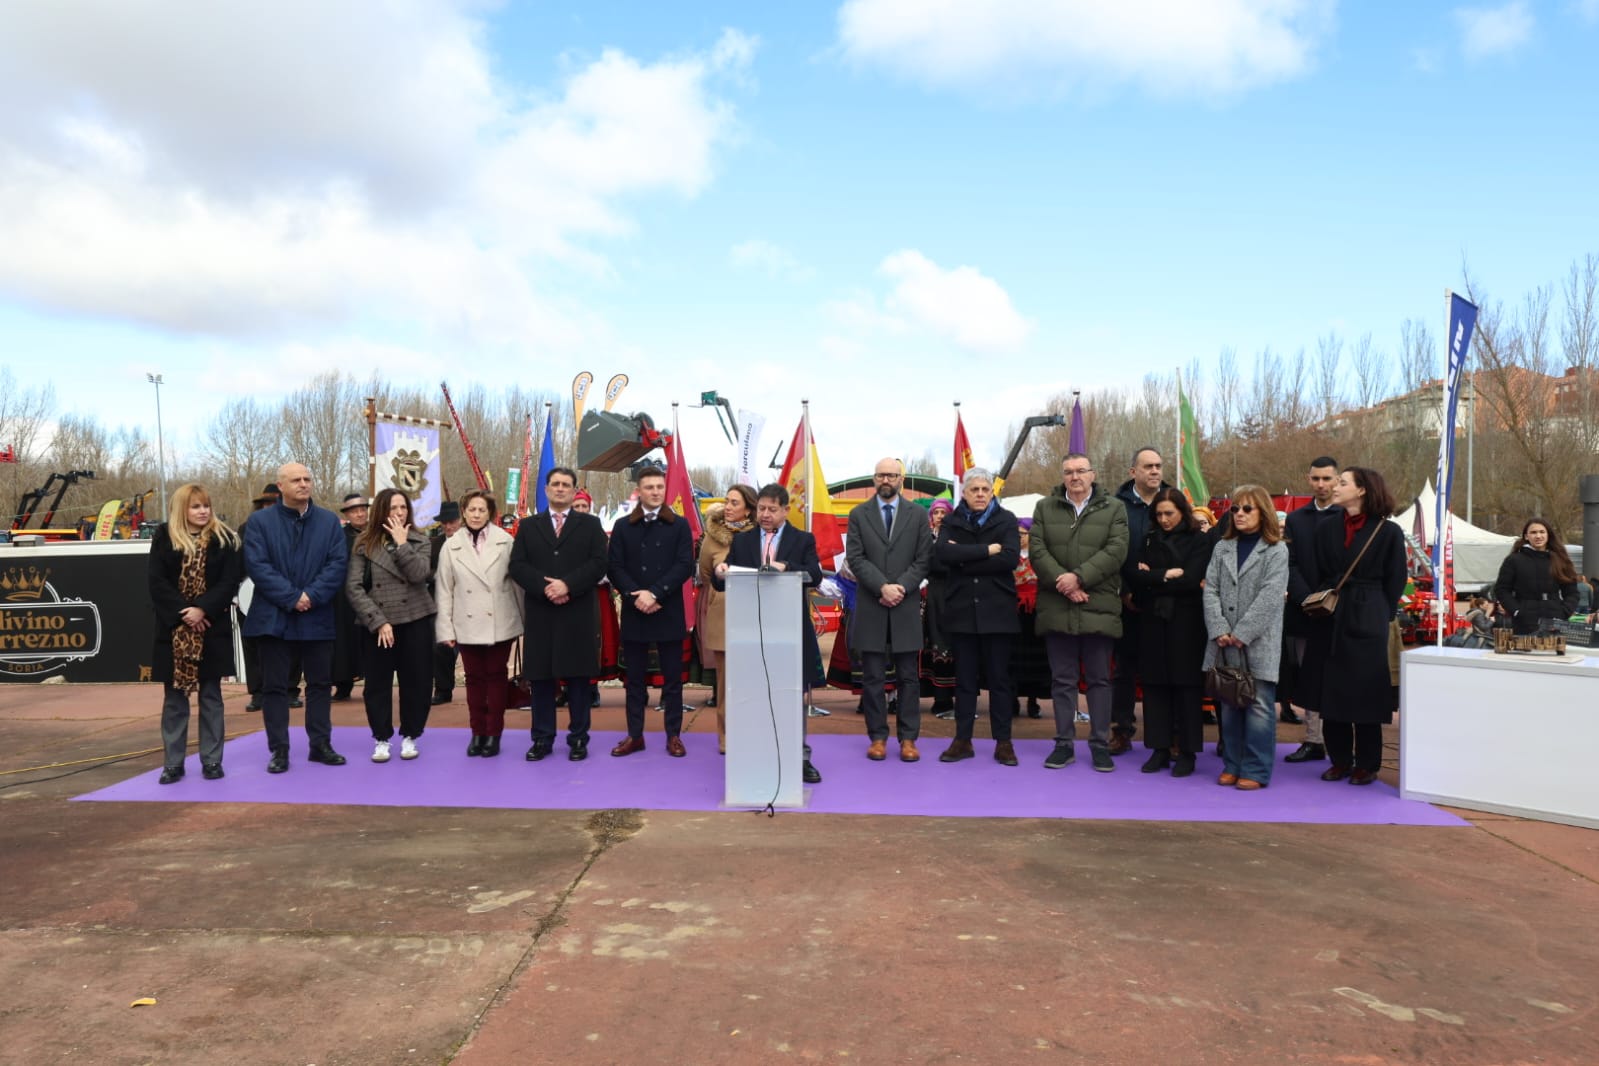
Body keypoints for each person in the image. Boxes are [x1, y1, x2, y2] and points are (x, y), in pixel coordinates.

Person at [1299, 466, 1407, 786]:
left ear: (1361, 490)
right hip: (1331, 614)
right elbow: (1316, 569)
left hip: (1367, 614)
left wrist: (1378, 612)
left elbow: (1396, 579)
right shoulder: (1327, 527)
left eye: (1342, 482)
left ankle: (1368, 763)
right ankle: (1340, 759)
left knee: (1365, 692)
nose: (1334, 486)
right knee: (1331, 691)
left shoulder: (1388, 532)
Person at [241, 462, 350, 773]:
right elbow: (258, 566)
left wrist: (311, 596)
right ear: (281, 487)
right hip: (274, 619)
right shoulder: (259, 523)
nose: (304, 484)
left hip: (316, 617)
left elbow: (336, 564)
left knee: (319, 685)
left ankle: (320, 745)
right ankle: (279, 750)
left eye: (307, 479)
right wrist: (292, 597)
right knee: (275, 688)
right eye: (296, 480)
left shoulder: (329, 522)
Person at [713, 482, 824, 784]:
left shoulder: (802, 539)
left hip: (789, 630)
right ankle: (755, 753)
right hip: (750, 631)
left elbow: (814, 573)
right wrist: (720, 571)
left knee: (792, 696)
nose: (765, 514)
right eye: (761, 508)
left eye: (772, 510)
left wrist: (785, 566)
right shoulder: (744, 541)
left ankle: (799, 756)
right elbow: (723, 580)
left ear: (786, 511)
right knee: (754, 694)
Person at [1031, 452, 1129, 772]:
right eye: (1069, 472)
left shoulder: (1114, 508)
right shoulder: (1045, 507)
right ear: (1062, 476)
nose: (1075, 477)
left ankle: (1100, 744)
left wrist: (1080, 578)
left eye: (1081, 471)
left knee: (1100, 680)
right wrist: (1066, 584)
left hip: (1097, 606)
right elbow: (1037, 550)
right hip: (1057, 606)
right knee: (1062, 681)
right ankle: (1063, 744)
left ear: (1093, 474)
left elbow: (1116, 551)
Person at [510, 466, 609, 762]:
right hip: (541, 613)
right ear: (546, 489)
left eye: (566, 484)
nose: (560, 489)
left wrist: (568, 585)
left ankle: (578, 737)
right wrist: (546, 588)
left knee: (578, 680)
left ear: (574, 490)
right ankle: (542, 738)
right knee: (540, 679)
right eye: (555, 484)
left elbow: (599, 563)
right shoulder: (529, 527)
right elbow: (517, 566)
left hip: (577, 611)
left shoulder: (590, 525)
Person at [148, 484, 245, 783]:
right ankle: (173, 764)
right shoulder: (164, 536)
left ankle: (212, 761)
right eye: (195, 507)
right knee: (175, 700)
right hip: (175, 631)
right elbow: (156, 581)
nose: (203, 511)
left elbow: (230, 581)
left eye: (206, 506)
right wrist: (185, 613)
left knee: (211, 698)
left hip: (211, 629)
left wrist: (203, 609)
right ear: (182, 510)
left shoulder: (225, 539)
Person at [846, 458, 935, 763]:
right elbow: (855, 558)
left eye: (892, 475)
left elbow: (924, 559)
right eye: (881, 475)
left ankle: (908, 739)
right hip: (872, 604)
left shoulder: (918, 515)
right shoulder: (858, 514)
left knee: (909, 677)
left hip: (905, 605)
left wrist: (900, 588)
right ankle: (878, 738)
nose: (886, 480)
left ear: (902, 479)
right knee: (872, 678)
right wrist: (881, 587)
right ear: (874, 479)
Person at [1202, 485, 1290, 790]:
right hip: (1223, 640)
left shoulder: (1276, 550)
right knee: (1229, 703)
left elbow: (1270, 597)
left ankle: (1256, 768)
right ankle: (1232, 764)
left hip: (1258, 641)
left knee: (1259, 706)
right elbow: (1210, 588)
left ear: (1262, 512)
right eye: (1235, 509)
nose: (1239, 514)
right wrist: (1219, 628)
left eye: (1247, 509)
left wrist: (1241, 633)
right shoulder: (1222, 547)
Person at [934, 468, 1021, 766]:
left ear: (992, 492)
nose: (981, 494)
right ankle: (962, 740)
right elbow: (942, 556)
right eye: (975, 490)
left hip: (998, 613)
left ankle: (1004, 742)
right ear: (965, 493)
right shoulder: (952, 521)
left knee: (999, 681)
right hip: (961, 613)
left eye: (985, 489)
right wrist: (986, 550)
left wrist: (964, 558)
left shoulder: (1006, 520)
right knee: (965, 682)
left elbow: (1009, 559)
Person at [607, 466, 696, 757]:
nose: (655, 492)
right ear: (639, 491)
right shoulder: (622, 526)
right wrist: (637, 597)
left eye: (659, 487)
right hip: (636, 611)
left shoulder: (680, 525)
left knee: (672, 680)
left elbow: (685, 565)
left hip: (667, 609)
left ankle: (674, 735)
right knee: (634, 681)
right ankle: (635, 735)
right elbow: (615, 567)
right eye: (649, 487)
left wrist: (656, 593)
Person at [1128, 488, 1215, 778]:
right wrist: (1165, 575)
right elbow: (1135, 577)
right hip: (1152, 620)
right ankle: (1159, 748)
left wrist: (1153, 576)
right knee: (1154, 686)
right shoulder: (1149, 539)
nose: (1164, 519)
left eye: (1170, 513)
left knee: (1187, 687)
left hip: (1187, 623)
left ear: (1182, 512)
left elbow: (1191, 579)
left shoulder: (1200, 540)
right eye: (1160, 514)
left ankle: (1188, 751)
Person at [345, 488, 436, 762]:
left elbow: (420, 575)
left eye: (403, 508)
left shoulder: (421, 540)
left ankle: (411, 734)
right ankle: (381, 737)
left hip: (415, 619)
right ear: (382, 511)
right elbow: (353, 587)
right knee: (377, 685)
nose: (398, 513)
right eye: (393, 508)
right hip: (379, 625)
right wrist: (379, 621)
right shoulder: (364, 543)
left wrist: (402, 544)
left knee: (417, 682)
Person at [435, 490, 523, 758]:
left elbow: (517, 585)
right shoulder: (451, 546)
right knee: (473, 680)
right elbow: (444, 590)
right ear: (463, 512)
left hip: (501, 621)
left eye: (481, 510)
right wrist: (445, 629)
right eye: (471, 509)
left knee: (496, 678)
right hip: (466, 622)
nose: (476, 515)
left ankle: (494, 733)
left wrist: (524, 622)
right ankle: (477, 732)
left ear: (490, 513)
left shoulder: (505, 541)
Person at [1110, 447, 1171, 755]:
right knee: (1124, 668)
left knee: (1162, 668)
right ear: (1133, 471)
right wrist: (1123, 590)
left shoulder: (1173, 501)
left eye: (1158, 466)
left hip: (1165, 600)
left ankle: (1164, 734)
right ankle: (1121, 730)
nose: (1155, 471)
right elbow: (1111, 551)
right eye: (1148, 466)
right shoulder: (1115, 506)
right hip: (1126, 601)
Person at [1282, 456, 1341, 763]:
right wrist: (1307, 599)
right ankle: (1314, 739)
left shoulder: (1348, 516)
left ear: (1337, 480)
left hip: (1339, 610)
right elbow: (1289, 563)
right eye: (1316, 478)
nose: (1321, 484)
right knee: (1309, 677)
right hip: (1304, 612)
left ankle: (1341, 743)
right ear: (1308, 479)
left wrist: (1328, 596)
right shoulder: (1296, 518)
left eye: (1327, 479)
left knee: (1340, 677)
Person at [697, 483, 757, 753]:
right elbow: (706, 574)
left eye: (735, 502)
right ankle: (725, 735)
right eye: (727, 501)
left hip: (756, 613)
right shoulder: (712, 537)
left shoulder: (761, 534)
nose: (728, 507)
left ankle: (753, 730)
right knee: (726, 681)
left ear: (748, 507)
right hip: (724, 610)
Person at [1493, 518, 1580, 634]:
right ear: (1526, 536)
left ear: (1548, 535)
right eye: (1533, 532)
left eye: (1542, 532)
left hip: (1555, 619)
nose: (1538, 536)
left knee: (1551, 650)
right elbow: (1502, 590)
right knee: (1526, 650)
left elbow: (1572, 592)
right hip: (1524, 620)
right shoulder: (1514, 560)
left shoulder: (1560, 560)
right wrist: (1517, 611)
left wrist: (1564, 612)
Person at [920, 499, 957, 718]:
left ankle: (952, 698)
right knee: (933, 646)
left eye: (944, 512)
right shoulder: (924, 538)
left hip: (952, 595)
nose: (940, 516)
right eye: (936, 512)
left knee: (952, 645)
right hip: (929, 597)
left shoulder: (956, 538)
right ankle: (938, 698)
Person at [332, 492, 369, 702]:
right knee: (344, 641)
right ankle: (343, 684)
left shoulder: (377, 532)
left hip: (372, 593)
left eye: (363, 509)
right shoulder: (338, 536)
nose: (360, 514)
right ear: (347, 514)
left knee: (370, 641)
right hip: (344, 596)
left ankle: (372, 682)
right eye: (355, 511)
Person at [430, 500, 464, 705]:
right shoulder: (434, 545)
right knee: (440, 648)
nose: (448, 526)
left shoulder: (471, 541)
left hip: (468, 603)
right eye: (445, 523)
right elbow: (425, 571)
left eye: (452, 522)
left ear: (460, 521)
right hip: (441, 604)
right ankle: (443, 689)